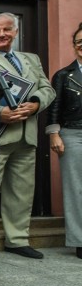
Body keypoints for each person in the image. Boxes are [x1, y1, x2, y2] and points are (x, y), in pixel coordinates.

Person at [0, 13, 55, 261]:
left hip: (26, 136)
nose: (1, 34)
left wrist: (36, 104)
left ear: (15, 32)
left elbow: (47, 88)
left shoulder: (31, 59)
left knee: (22, 191)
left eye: (6, 29)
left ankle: (17, 239)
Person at [46, 22, 82, 260]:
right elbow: (54, 108)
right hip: (72, 134)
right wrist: (54, 134)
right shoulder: (63, 75)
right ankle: (80, 240)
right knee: (76, 189)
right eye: (79, 42)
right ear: (74, 46)